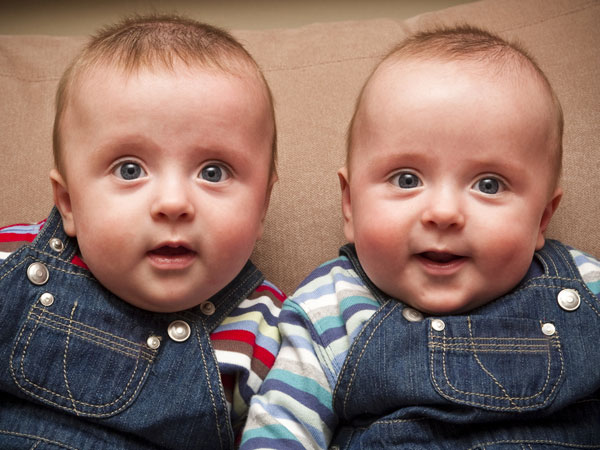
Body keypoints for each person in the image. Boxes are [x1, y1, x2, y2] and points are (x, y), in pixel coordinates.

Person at [241, 26, 600, 449]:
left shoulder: (585, 286)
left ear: (542, 219)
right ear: (350, 204)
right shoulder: (331, 308)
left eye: (488, 185)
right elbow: (282, 427)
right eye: (407, 179)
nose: (443, 213)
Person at [0, 14, 285, 450]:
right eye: (129, 169)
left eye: (213, 172)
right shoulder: (12, 260)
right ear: (69, 203)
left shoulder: (270, 332)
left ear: (262, 206)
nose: (172, 202)